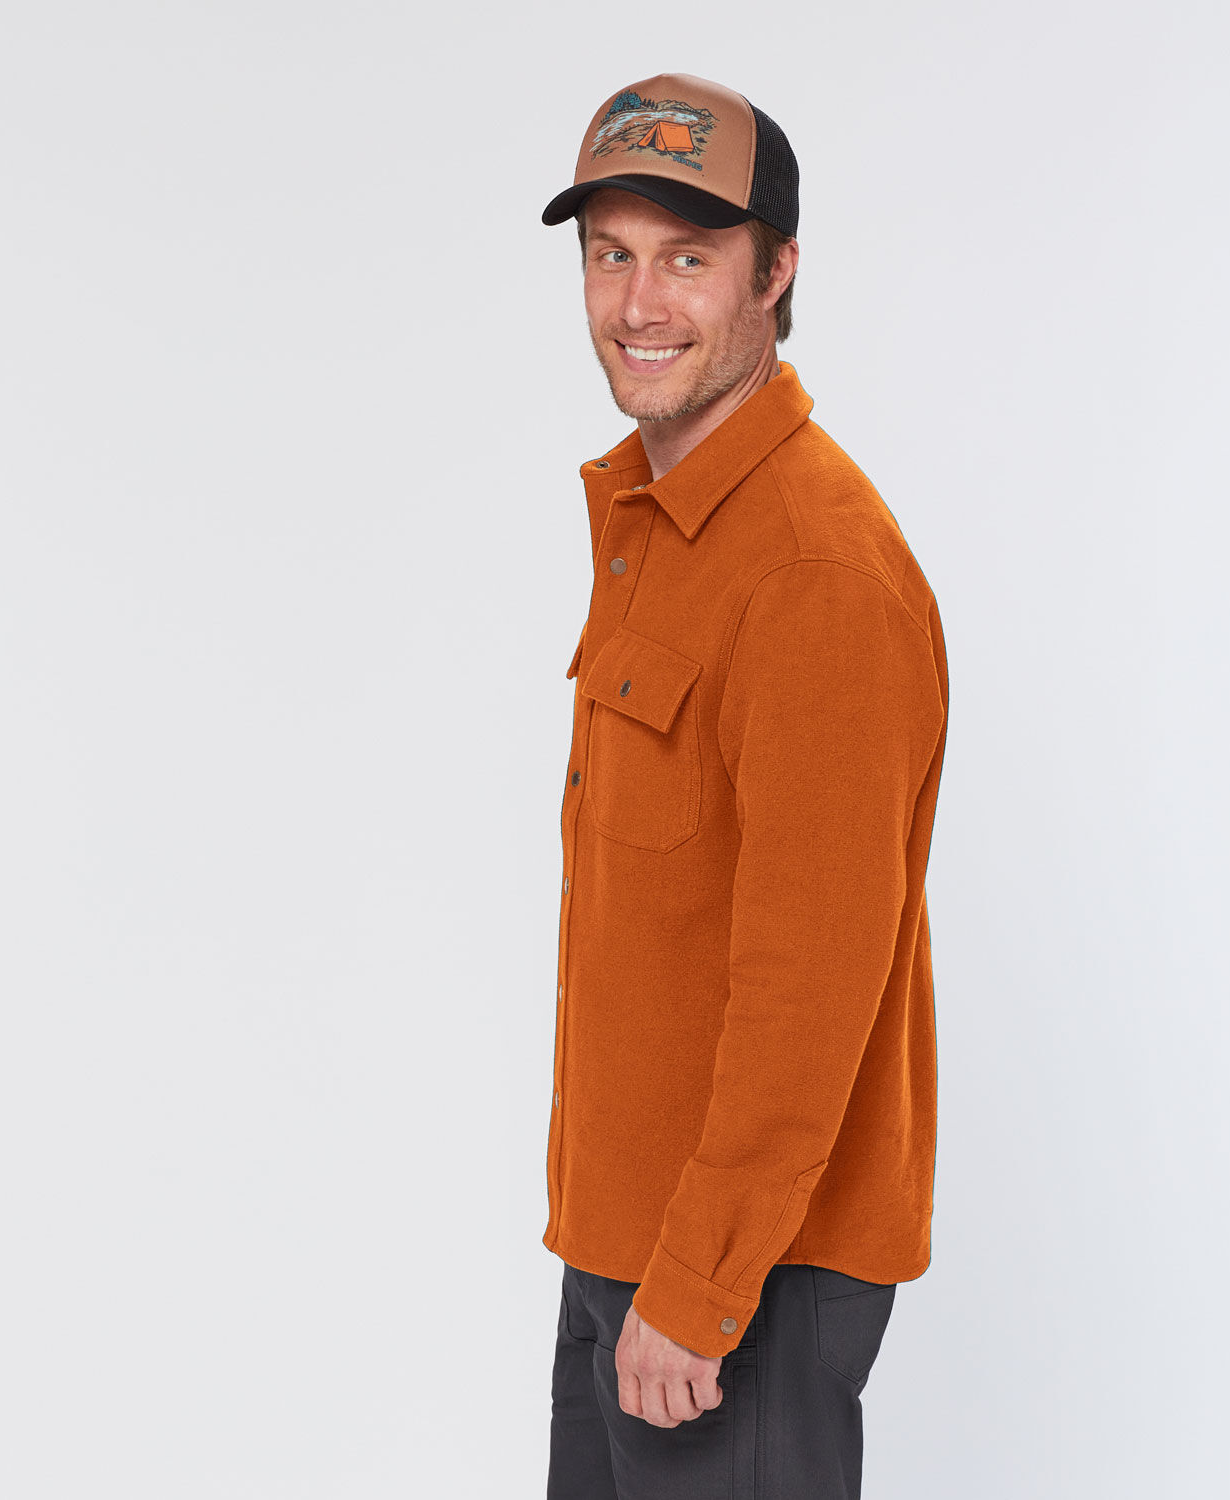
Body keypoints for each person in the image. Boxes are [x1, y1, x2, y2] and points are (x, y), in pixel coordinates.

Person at [539, 72, 950, 1500]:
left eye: (689, 258)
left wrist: (700, 1285)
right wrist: (629, 1269)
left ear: (775, 273)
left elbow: (808, 986)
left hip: (733, 1295)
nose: (638, 302)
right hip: (628, 1251)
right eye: (612, 254)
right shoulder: (663, 528)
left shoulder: (814, 571)